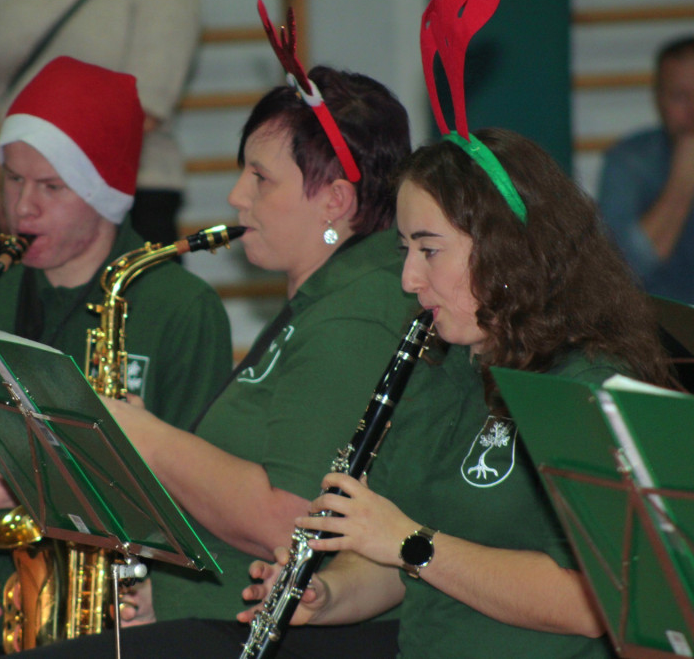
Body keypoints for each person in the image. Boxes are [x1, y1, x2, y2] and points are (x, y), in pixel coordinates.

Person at [0, 54, 420, 656]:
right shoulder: (327, 299)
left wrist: (141, 436)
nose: (236, 196)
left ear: (334, 199)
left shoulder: (354, 313)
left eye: (260, 179)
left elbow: (289, 519)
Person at [240, 127, 674, 659]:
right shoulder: (438, 371)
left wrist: (411, 543)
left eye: (429, 249)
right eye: (406, 250)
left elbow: (594, 603)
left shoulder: (584, 387)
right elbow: (399, 566)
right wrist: (328, 594)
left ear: (505, 250)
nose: (408, 278)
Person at [0, 54, 233, 654]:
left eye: (50, 187)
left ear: (104, 193)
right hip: (15, 604)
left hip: (128, 614)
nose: (22, 209)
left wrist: (25, 483)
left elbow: (205, 501)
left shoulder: (180, 307)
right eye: (13, 179)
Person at [0, 0, 200, 281]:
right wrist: (4, 175)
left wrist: (47, 179)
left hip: (127, 201)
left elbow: (146, 102)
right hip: (9, 194)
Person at [598, 34, 694, 305]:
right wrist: (681, 186)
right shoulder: (630, 161)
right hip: (660, 333)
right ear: (659, 101)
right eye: (679, 96)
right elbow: (615, 275)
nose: (693, 111)